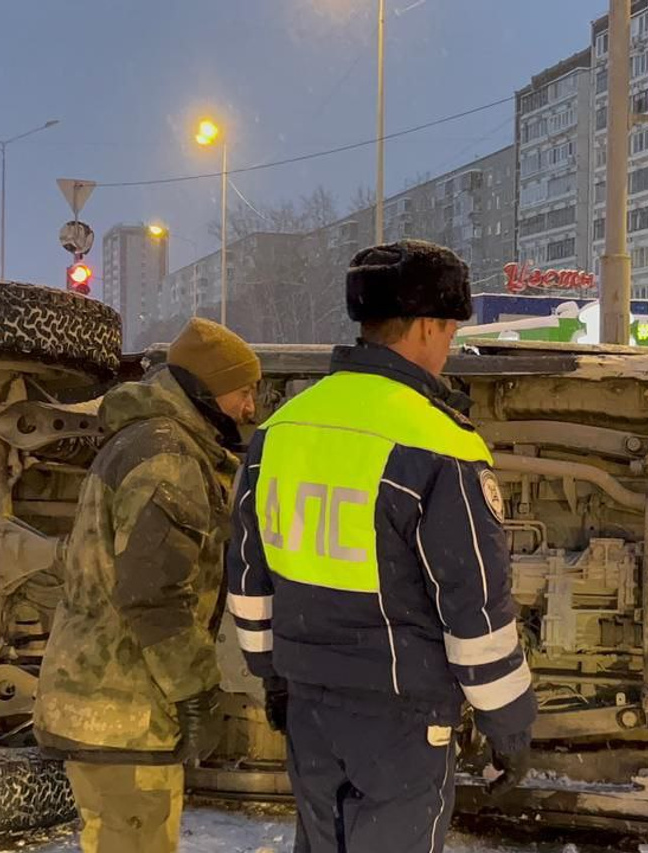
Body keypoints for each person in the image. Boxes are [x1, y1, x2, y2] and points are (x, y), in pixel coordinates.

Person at [227, 239, 537, 853]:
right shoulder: (439, 444)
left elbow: (247, 578)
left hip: (310, 706)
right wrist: (510, 725)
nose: (449, 347)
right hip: (401, 719)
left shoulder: (282, 429)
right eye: (449, 330)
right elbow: (475, 612)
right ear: (426, 326)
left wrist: (274, 676)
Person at [35, 318, 260, 853]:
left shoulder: (146, 441)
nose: (251, 407)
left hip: (111, 706)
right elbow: (156, 596)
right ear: (206, 388)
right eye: (244, 390)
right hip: (127, 712)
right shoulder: (168, 457)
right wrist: (197, 694)